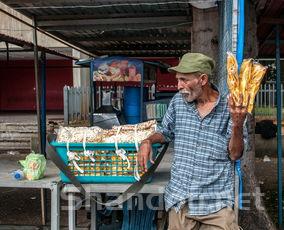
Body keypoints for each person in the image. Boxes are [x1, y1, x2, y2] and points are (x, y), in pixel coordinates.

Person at [138, 53, 247, 230]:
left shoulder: (232, 107)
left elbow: (235, 154)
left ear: (202, 79)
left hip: (216, 205)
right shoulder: (178, 103)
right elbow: (165, 132)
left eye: (184, 80)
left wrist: (237, 125)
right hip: (180, 200)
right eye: (178, 80)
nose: (178, 86)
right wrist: (147, 141)